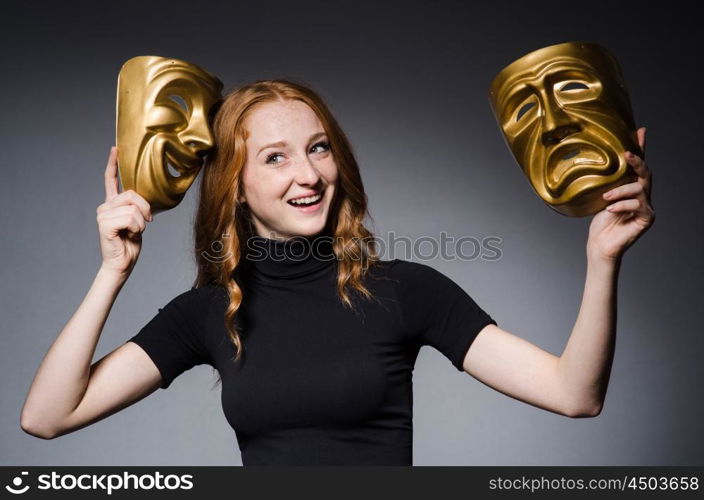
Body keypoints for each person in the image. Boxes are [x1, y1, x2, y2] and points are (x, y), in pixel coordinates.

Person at [20, 80, 655, 465]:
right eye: (275, 157)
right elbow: (47, 417)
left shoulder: (407, 290)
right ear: (235, 188)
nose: (309, 174)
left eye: (318, 148)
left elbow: (575, 395)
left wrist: (603, 260)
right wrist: (112, 273)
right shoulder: (206, 313)